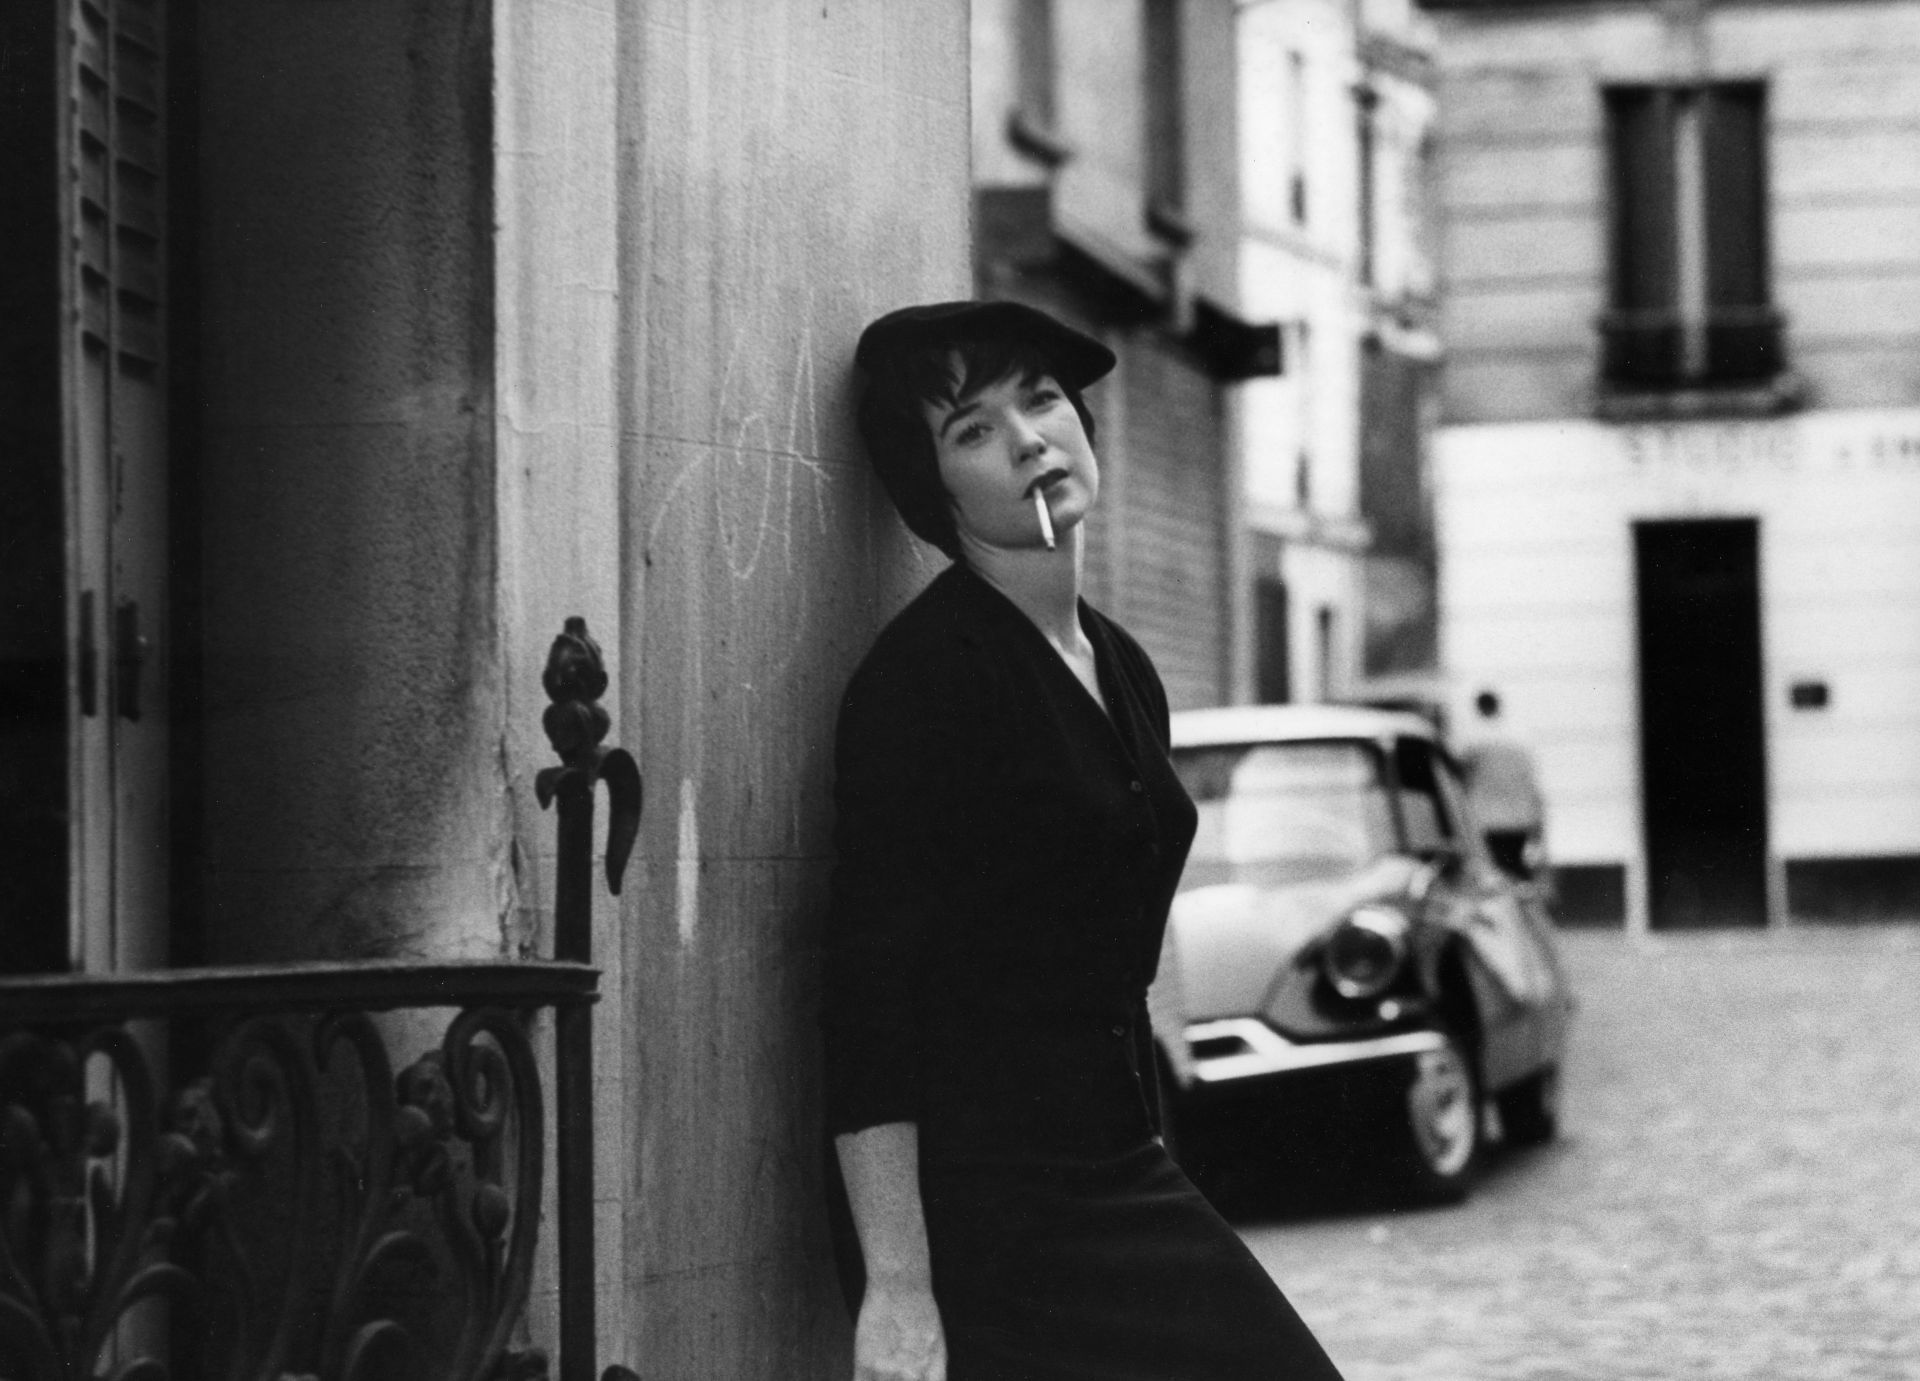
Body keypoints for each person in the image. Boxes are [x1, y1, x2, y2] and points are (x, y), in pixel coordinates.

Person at [820, 300, 1347, 1381]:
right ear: (935, 489)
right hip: (988, 1210)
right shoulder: (924, 681)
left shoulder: (1122, 666)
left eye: (1043, 398)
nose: (1027, 440)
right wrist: (901, 1288)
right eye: (973, 429)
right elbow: (866, 996)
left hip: (1115, 1158)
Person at [1459, 690, 1546, 882]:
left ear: (1479, 708)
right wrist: (1538, 827)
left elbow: (1462, 780)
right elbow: (1531, 786)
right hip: (1518, 821)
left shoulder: (1472, 742)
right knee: (1517, 872)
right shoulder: (1519, 742)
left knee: (1494, 875)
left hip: (1486, 820)